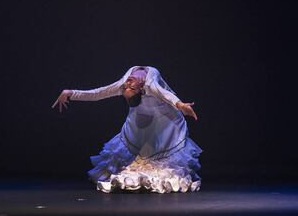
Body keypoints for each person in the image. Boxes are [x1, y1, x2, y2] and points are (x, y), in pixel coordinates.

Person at [52, 66, 203, 193]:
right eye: (129, 87)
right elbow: (98, 94)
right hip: (143, 115)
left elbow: (165, 95)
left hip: (164, 116)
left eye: (129, 86)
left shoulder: (138, 84)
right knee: (139, 152)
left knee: (159, 153)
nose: (128, 83)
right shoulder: (137, 84)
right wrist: (70, 93)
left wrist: (180, 105)